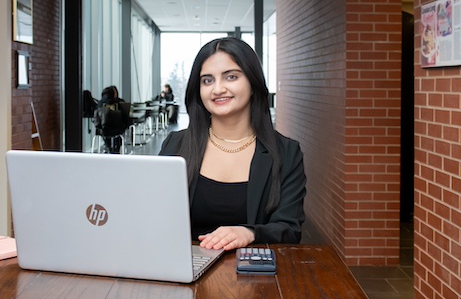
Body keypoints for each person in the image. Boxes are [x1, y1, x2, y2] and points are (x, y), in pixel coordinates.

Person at [159, 37, 306, 250]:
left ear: (253, 83)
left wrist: (249, 232)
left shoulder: (286, 153)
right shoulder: (176, 145)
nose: (218, 89)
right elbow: (156, 215)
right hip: (182, 268)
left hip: (254, 274)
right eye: (207, 80)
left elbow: (290, 229)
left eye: (231, 77)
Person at [94, 85, 130, 154]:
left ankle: (109, 148)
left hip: (103, 130)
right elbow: (126, 118)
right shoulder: (120, 103)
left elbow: (96, 120)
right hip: (118, 129)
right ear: (114, 94)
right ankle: (116, 149)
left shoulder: (99, 104)